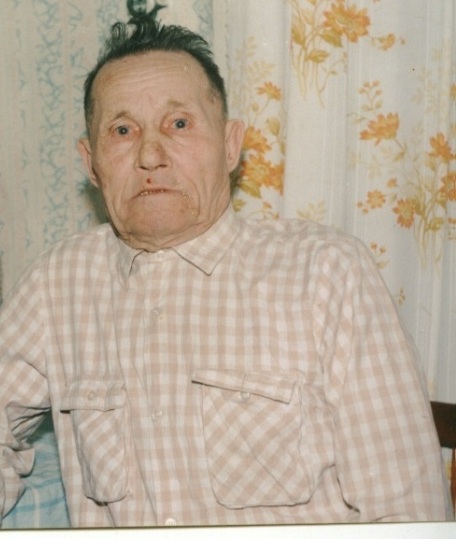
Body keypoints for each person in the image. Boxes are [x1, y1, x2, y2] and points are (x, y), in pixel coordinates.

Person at [0, 14, 451, 527]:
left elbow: (408, 511)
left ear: (231, 145)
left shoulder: (327, 273)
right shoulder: (57, 284)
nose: (150, 154)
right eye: (122, 131)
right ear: (91, 163)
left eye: (179, 124)